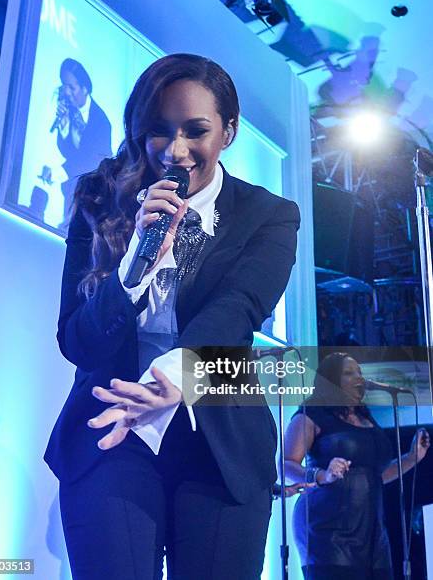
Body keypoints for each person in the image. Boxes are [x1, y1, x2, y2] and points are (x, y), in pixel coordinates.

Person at [44, 53, 300, 579]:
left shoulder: (269, 215)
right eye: (159, 131)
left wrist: (175, 377)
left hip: (220, 441)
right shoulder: (100, 197)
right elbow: (78, 342)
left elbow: (239, 308)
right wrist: (134, 264)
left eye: (196, 131)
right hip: (112, 431)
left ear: (228, 131)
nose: (175, 151)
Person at [284, 352, 431, 580]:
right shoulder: (311, 414)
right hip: (328, 529)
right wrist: (322, 474)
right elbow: (286, 464)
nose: (358, 378)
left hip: (371, 530)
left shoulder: (366, 418)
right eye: (349, 372)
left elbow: (376, 476)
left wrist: (412, 457)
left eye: (360, 373)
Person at [55, 58, 112, 225]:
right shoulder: (68, 109)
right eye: (64, 86)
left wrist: (63, 171)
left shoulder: (101, 121)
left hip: (92, 193)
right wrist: (64, 128)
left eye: (71, 87)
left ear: (85, 88)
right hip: (72, 186)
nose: (66, 92)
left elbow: (97, 160)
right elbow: (67, 150)